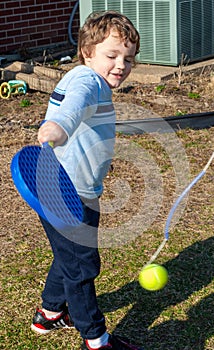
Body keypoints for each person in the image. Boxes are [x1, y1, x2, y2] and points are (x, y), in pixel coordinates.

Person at [31, 10, 142, 350]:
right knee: (82, 265)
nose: (121, 65)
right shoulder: (86, 81)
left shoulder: (95, 82)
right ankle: (95, 339)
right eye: (112, 55)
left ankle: (49, 313)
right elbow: (72, 108)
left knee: (69, 256)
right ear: (87, 51)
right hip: (67, 193)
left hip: (74, 188)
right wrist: (60, 127)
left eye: (129, 59)